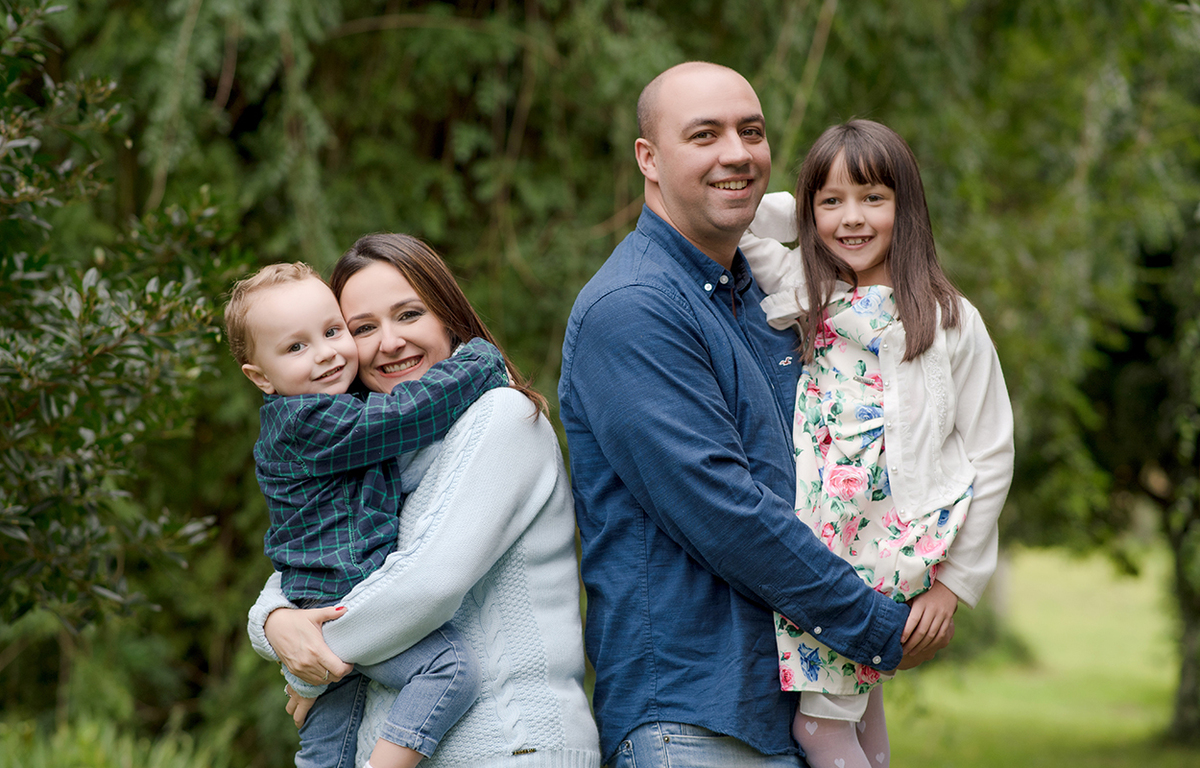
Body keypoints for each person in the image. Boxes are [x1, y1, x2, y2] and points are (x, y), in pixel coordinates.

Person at [558, 62, 935, 768]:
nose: (737, 152)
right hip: (696, 721)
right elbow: (725, 511)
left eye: (751, 131)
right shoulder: (634, 308)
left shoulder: (760, 299)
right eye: (704, 134)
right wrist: (881, 625)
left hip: (794, 712)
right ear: (649, 158)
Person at [246, 234, 601, 768]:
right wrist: (274, 621)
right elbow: (317, 558)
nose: (388, 342)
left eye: (409, 314)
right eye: (363, 328)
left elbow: (423, 584)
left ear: (448, 317)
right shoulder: (371, 450)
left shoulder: (502, 419)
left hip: (510, 747)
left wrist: (307, 660)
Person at [738, 119, 1014, 768]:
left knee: (824, 726)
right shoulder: (809, 294)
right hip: (825, 550)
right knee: (847, 723)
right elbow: (742, 220)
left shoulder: (950, 319)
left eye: (872, 198)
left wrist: (954, 585)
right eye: (831, 202)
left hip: (903, 552)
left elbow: (992, 452)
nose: (851, 219)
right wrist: (801, 209)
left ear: (906, 207)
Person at [226, 261, 510, 768]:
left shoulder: (337, 407)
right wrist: (481, 359)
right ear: (260, 377)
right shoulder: (307, 421)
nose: (326, 353)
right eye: (296, 347)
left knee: (326, 747)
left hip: (324, 595)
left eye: (333, 331)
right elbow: (406, 413)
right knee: (448, 669)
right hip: (344, 595)